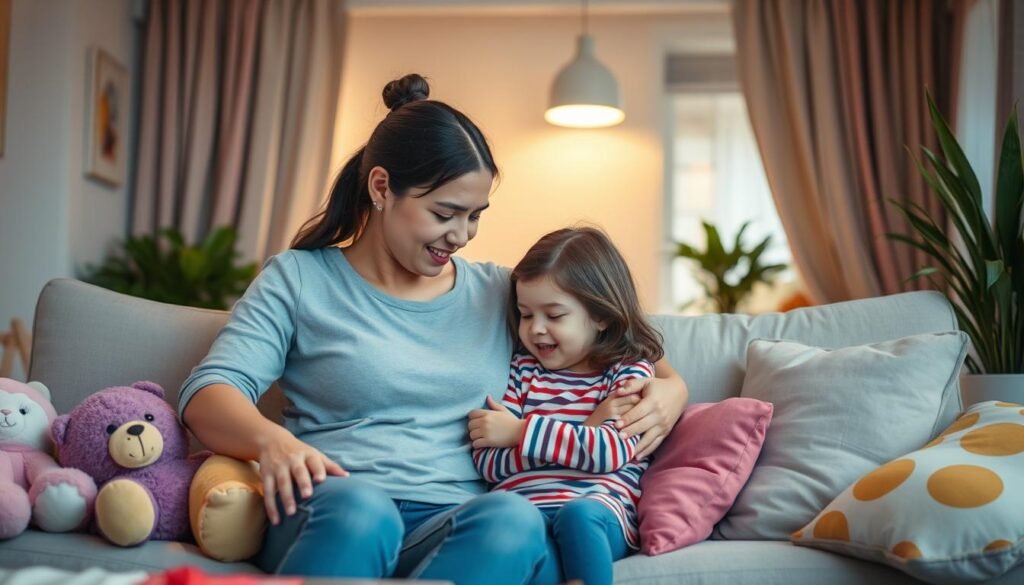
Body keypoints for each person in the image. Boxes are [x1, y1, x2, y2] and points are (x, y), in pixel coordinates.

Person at [179, 74, 689, 584]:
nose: (462, 235)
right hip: (334, 503)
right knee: (364, 511)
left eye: (474, 216)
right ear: (381, 187)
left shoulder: (498, 292)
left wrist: (673, 389)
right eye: (445, 213)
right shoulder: (298, 278)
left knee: (513, 519)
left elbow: (621, 338)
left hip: (450, 517)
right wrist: (271, 442)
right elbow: (209, 392)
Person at [470, 227, 664, 585]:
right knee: (516, 546)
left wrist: (519, 433)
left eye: (554, 315)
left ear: (600, 315)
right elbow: (489, 464)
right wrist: (584, 433)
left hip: (600, 513)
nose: (536, 329)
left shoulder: (627, 372)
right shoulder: (523, 371)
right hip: (527, 514)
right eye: (526, 314)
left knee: (577, 515)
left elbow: (609, 451)